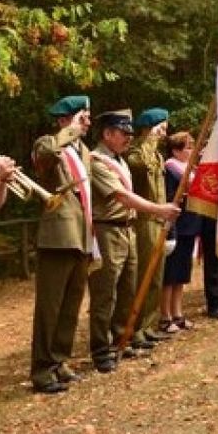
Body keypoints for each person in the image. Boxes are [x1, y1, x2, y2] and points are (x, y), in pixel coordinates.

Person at [87, 110, 180, 373]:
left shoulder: (119, 160)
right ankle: (100, 348)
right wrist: (160, 210)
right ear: (107, 134)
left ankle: (121, 338)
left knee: (129, 289)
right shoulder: (97, 161)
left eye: (130, 133)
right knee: (106, 294)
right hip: (108, 230)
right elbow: (123, 197)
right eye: (123, 134)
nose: (128, 138)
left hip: (128, 228)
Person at [27, 96, 94, 394]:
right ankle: (42, 370)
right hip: (58, 236)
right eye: (83, 116)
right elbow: (44, 157)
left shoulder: (84, 151)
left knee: (71, 304)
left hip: (82, 234)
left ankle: (59, 361)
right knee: (50, 307)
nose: (88, 122)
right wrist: (69, 131)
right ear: (65, 118)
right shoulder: (49, 142)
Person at [124, 108, 173, 347]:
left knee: (156, 275)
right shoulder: (136, 153)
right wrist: (147, 139)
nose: (163, 134)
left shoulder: (158, 156)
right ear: (149, 127)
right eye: (160, 128)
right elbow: (139, 168)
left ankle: (149, 324)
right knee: (144, 273)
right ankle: (136, 328)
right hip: (143, 221)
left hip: (158, 219)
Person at [161, 131, 202, 332]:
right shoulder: (170, 169)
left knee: (182, 273)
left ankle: (178, 313)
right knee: (170, 273)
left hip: (190, 224)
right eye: (187, 147)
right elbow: (168, 196)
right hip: (177, 225)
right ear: (176, 150)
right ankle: (165, 315)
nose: (191, 150)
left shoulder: (190, 169)